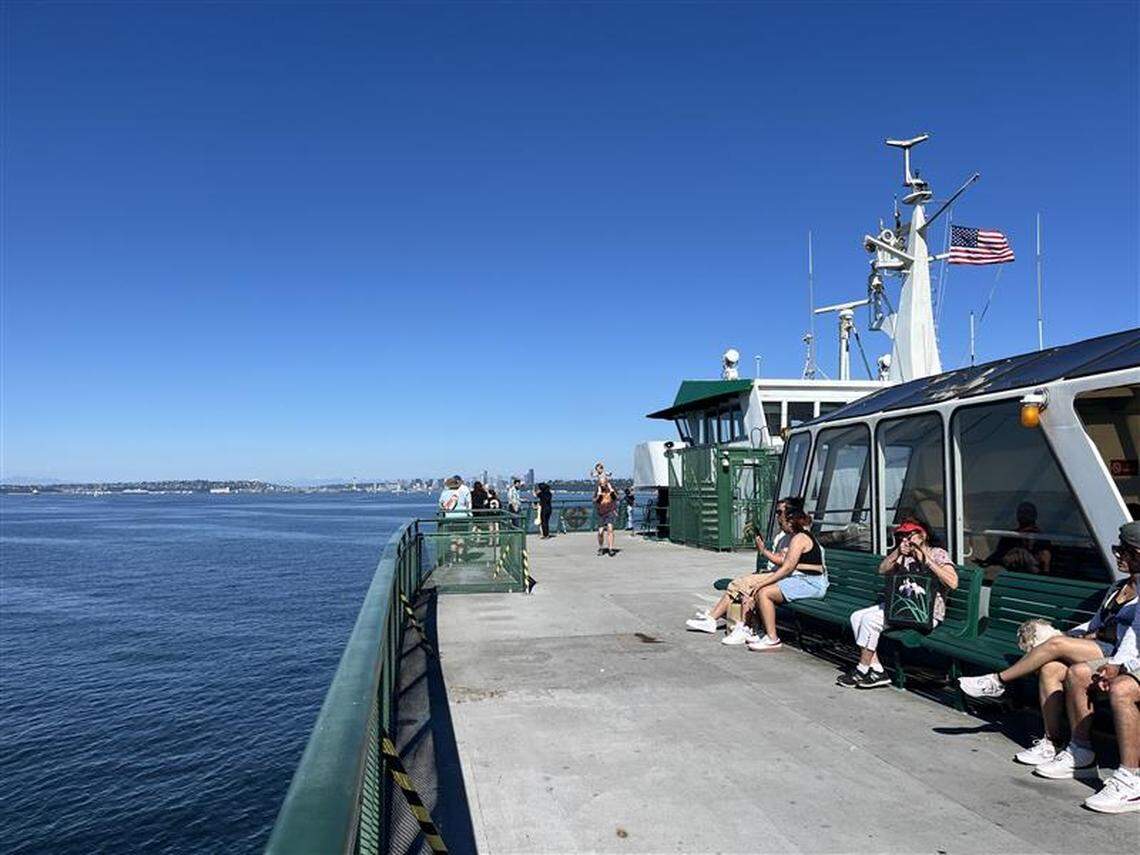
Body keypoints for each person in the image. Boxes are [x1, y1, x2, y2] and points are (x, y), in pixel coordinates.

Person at [959, 523, 1140, 775]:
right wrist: (1075, 634)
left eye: (1122, 550)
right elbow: (1095, 622)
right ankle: (1053, 743)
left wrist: (1087, 638)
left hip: (1117, 651)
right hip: (1101, 646)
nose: (1117, 554)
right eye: (1116, 549)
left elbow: (1132, 634)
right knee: (1050, 668)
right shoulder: (1117, 588)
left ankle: (999, 680)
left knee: (1055, 645)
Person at [838, 519, 958, 689]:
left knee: (870, 621)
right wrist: (897, 553)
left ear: (922, 535)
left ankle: (862, 668)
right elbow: (882, 569)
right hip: (901, 607)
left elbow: (953, 582)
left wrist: (927, 561)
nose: (904, 540)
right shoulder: (904, 555)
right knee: (857, 617)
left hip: (926, 612)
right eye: (901, 536)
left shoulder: (937, 553)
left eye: (909, 536)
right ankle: (878, 670)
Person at [685, 498, 796, 644]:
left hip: (780, 575)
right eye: (776, 512)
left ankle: (739, 626)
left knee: (742, 586)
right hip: (771, 572)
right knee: (738, 584)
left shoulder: (795, 537)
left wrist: (763, 551)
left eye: (780, 512)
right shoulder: (782, 535)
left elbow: (784, 562)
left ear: (790, 514)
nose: (777, 516)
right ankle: (715, 619)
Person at [983, 501, 1052, 577]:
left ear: (1035, 515)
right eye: (1021, 512)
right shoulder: (1010, 536)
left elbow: (1044, 561)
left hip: (1031, 575)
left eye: (1027, 512)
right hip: (1009, 573)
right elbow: (998, 554)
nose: (1024, 515)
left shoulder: (1040, 537)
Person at [594, 475, 619, 556]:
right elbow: (594, 500)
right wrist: (599, 495)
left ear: (606, 482)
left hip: (610, 511)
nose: (602, 485)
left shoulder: (611, 488)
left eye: (604, 483)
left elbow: (617, 498)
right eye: (601, 483)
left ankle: (610, 549)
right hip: (601, 512)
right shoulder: (598, 489)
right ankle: (601, 548)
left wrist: (612, 490)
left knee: (610, 529)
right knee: (600, 532)